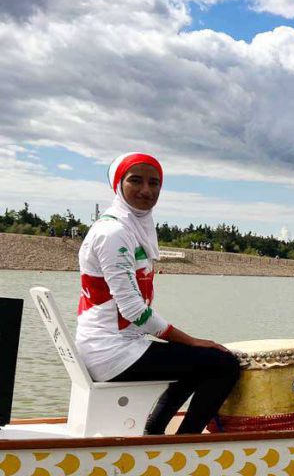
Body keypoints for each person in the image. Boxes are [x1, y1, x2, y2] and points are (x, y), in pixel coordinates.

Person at [76, 152, 240, 435]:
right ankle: (184, 443)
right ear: (118, 184)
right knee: (224, 365)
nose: (146, 191)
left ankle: (154, 433)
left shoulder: (130, 227)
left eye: (154, 183)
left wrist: (188, 345)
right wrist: (190, 339)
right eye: (135, 181)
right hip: (111, 352)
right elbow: (134, 311)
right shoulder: (114, 233)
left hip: (113, 345)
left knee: (194, 359)